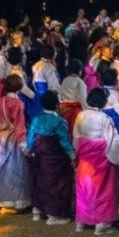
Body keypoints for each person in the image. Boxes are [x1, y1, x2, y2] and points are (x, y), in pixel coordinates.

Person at [73, 88, 119, 234]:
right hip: (102, 158)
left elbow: (76, 137)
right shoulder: (104, 119)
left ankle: (81, 221)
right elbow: (113, 141)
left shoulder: (81, 115)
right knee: (103, 189)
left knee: (84, 188)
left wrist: (75, 155)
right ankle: (101, 223)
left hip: (85, 157)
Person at [27, 90, 76, 225]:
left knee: (40, 180)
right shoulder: (60, 122)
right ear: (56, 105)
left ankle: (37, 209)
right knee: (58, 183)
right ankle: (55, 215)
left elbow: (31, 137)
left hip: (39, 155)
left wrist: (29, 149)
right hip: (56, 157)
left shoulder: (36, 119)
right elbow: (64, 141)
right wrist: (72, 156)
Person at [0, 91, 31, 214]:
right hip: (13, 139)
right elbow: (19, 125)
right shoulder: (17, 104)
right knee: (14, 169)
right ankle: (13, 201)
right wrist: (23, 144)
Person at [57, 59, 89, 128]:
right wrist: (88, 110)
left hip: (64, 109)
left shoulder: (65, 80)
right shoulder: (80, 82)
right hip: (75, 111)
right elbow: (83, 99)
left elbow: (60, 93)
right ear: (80, 71)